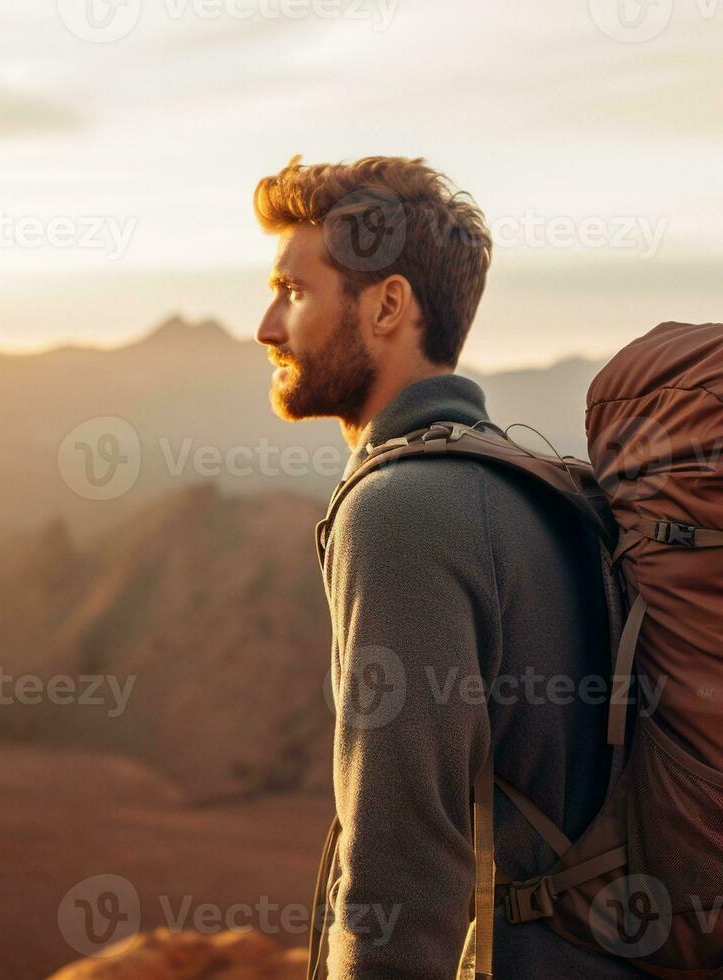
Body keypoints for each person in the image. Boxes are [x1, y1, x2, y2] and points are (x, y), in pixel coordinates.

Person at [253, 155, 640, 979]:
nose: (266, 327)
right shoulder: (534, 482)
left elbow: (403, 856)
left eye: (292, 291)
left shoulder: (400, 511)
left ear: (388, 304)